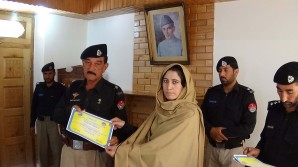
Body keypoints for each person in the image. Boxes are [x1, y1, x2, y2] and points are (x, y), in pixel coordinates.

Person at [105, 63, 205, 167]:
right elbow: (147, 136)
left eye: (175, 82)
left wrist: (122, 152)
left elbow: (162, 153)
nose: (168, 87)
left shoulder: (189, 114)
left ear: (184, 86)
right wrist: (124, 125)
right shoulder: (161, 109)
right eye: (165, 81)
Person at [52, 44, 128, 167]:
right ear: (82, 64)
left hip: (96, 155)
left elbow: (123, 126)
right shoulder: (73, 87)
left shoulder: (113, 91)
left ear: (105, 67)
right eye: (87, 62)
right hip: (69, 152)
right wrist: (70, 110)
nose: (91, 67)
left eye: (97, 63)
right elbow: (55, 114)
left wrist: (116, 138)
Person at [201, 56, 257, 167]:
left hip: (235, 151)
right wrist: (211, 130)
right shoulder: (212, 92)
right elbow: (202, 116)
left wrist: (221, 133)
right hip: (212, 149)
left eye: (226, 70)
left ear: (236, 72)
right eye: (220, 70)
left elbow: (249, 126)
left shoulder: (246, 95)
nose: (222, 74)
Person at [244, 61, 298, 167]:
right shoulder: (274, 110)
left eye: (289, 92)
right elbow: (265, 139)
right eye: (279, 91)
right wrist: (258, 150)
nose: (283, 98)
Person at [30, 62, 66, 167]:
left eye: (50, 73)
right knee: (42, 149)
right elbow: (33, 106)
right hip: (40, 123)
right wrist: (32, 124)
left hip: (54, 122)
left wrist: (63, 124)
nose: (47, 76)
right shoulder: (39, 87)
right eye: (45, 74)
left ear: (54, 73)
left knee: (56, 148)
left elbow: (64, 107)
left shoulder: (61, 88)